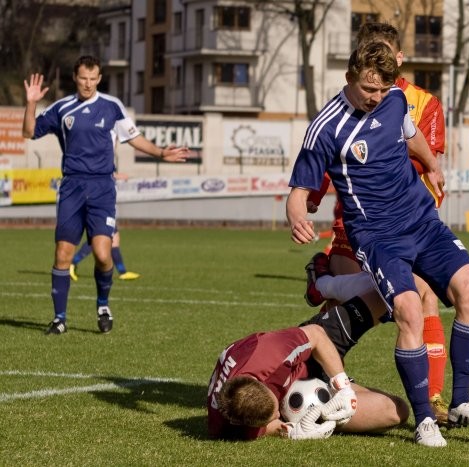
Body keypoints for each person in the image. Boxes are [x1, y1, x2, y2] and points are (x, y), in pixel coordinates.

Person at [287, 42, 469, 447]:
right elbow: (299, 190)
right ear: (350, 77)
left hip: (422, 221)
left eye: (383, 89)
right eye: (369, 89)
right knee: (409, 310)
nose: (376, 97)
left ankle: (462, 401)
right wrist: (296, 216)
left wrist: (432, 165)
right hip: (378, 235)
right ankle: (424, 420)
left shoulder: (395, 98)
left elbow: (411, 135)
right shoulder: (325, 127)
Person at [303, 21, 450, 424]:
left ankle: (433, 400)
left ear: (398, 57)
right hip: (357, 223)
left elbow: (423, 153)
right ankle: (320, 379)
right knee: (363, 303)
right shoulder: (347, 103)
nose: (378, 61)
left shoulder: (421, 102)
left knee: (420, 298)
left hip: (408, 219)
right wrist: (312, 195)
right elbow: (328, 153)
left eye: (385, 53)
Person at [22, 55, 190, 335]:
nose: (88, 83)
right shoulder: (61, 108)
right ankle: (59, 319)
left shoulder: (112, 106)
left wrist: (161, 153)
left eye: (93, 78)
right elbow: (29, 132)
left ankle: (102, 305)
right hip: (72, 187)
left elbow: (134, 138)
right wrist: (30, 103)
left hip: (102, 188)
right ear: (75, 78)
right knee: (62, 253)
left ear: (99, 78)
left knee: (102, 254)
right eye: (83, 78)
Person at [207, 323, 409, 441]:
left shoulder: (269, 355)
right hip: (304, 400)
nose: (277, 415)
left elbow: (316, 333)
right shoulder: (226, 423)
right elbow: (267, 427)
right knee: (396, 412)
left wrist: (343, 388)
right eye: (271, 417)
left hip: (311, 360)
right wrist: (293, 431)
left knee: (373, 301)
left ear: (262, 383)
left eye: (274, 411)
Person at [70, 228, 140, 281]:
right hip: (99, 214)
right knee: (97, 239)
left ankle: (122, 272)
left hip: (104, 213)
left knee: (113, 238)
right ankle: (72, 263)